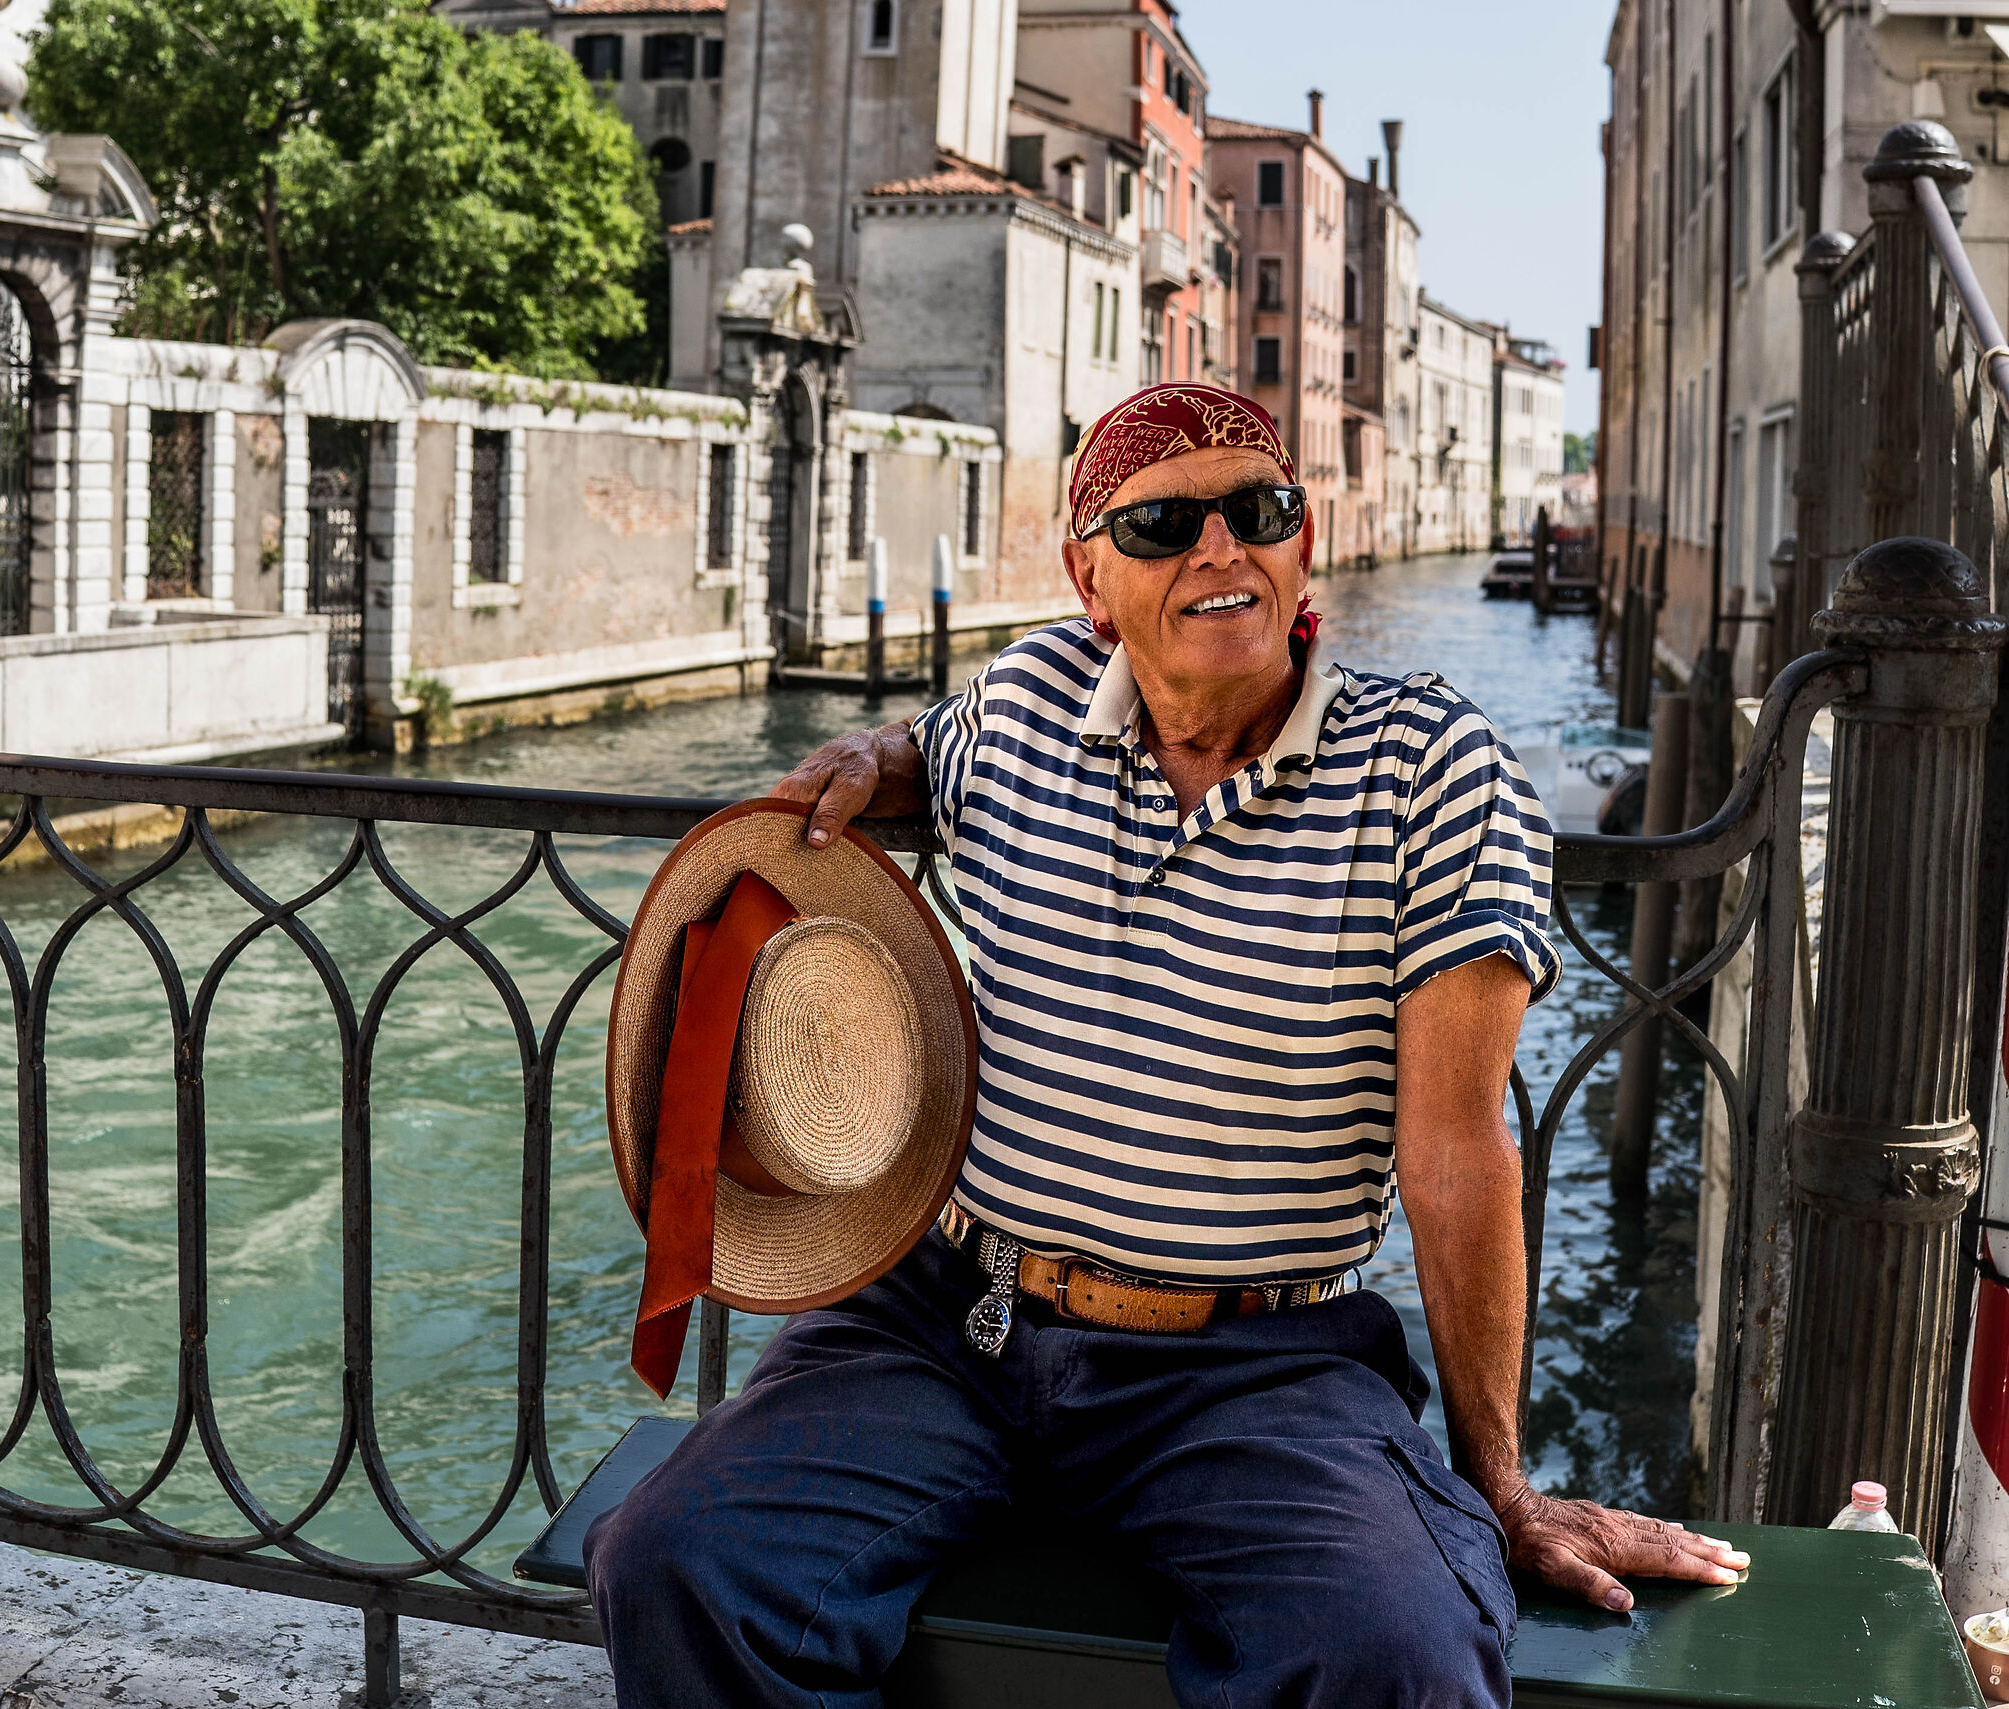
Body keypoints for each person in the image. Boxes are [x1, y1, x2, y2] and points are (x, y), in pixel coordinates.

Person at [586, 383, 1748, 1707]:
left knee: (1397, 1656)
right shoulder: (1025, 699)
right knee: (677, 1563)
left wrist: (1504, 1485)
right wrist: (875, 750)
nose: (1220, 548)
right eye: (1162, 526)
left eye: (1259, 509)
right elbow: (928, 748)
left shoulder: (1429, 768)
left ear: (1302, 543)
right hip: (947, 1323)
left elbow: (1455, 1152)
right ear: (1090, 580)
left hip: (1251, 1369)